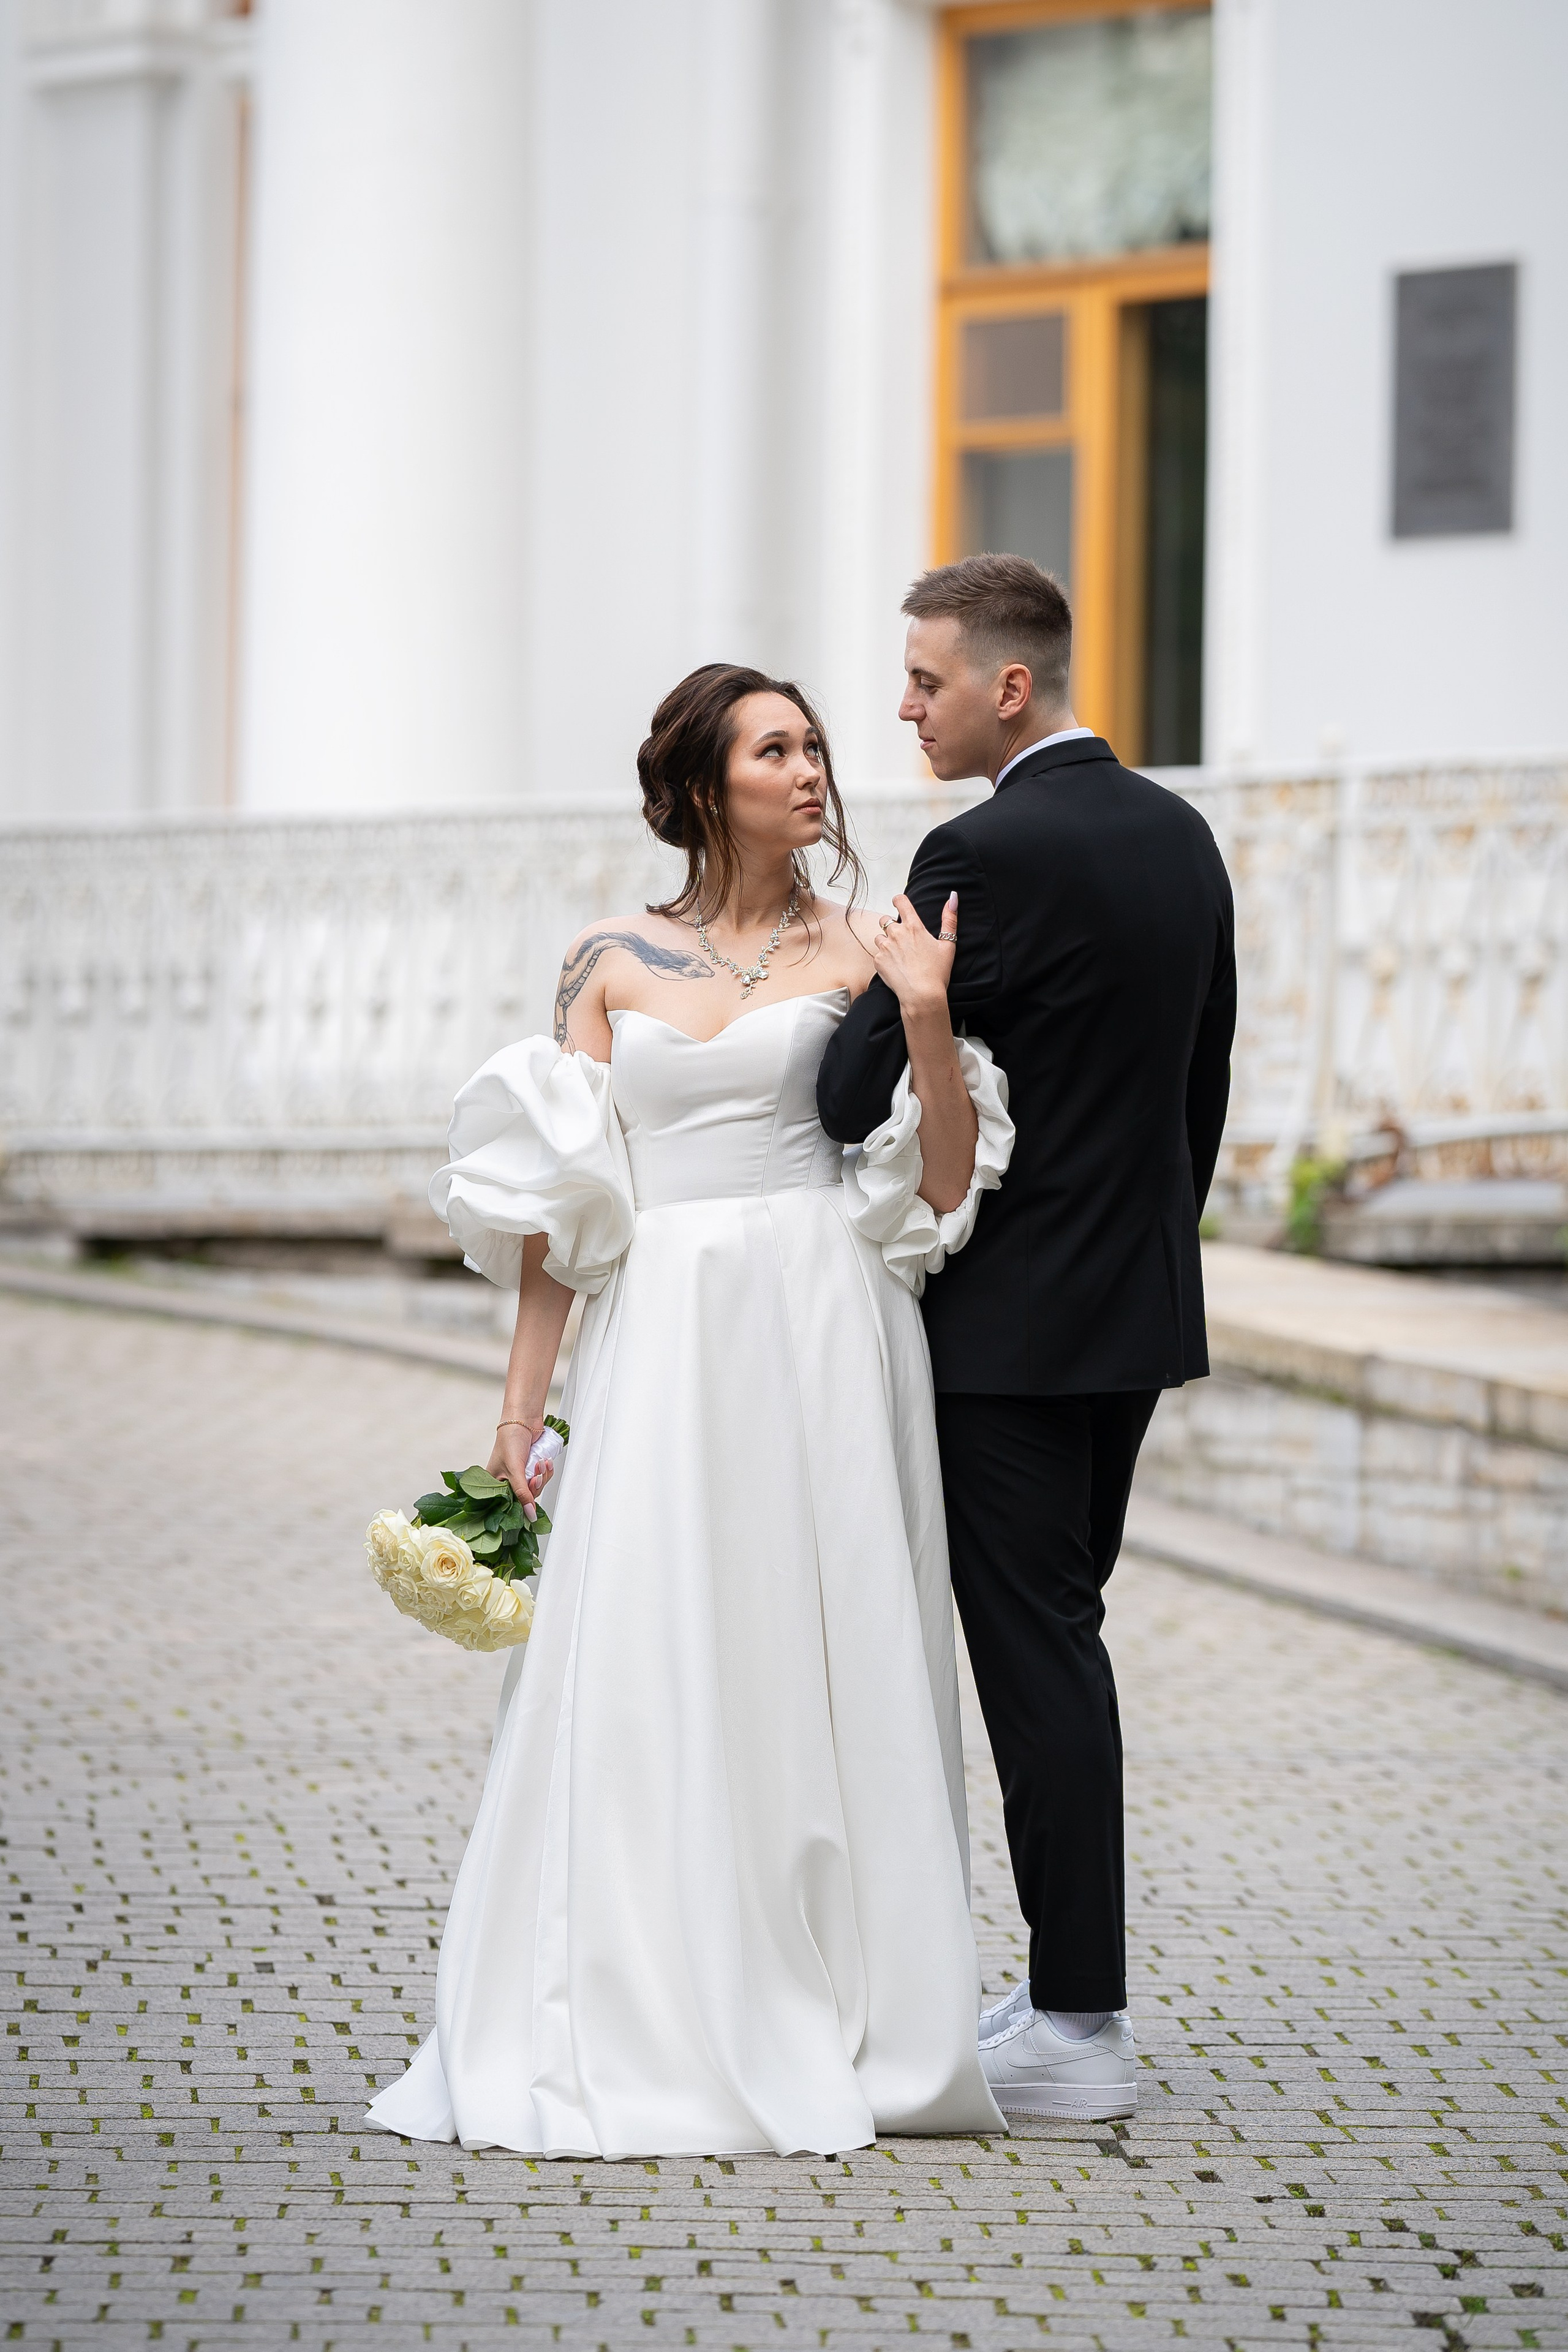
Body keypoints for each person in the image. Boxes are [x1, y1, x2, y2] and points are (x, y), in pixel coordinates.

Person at [368, 662, 1012, 2158]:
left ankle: (853, 2005)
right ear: (700, 784)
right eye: (772, 749)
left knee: (823, 1651)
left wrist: (922, 1014)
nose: (809, 771)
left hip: (826, 1326)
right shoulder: (604, 959)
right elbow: (560, 1217)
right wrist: (517, 1415)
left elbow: (936, 1182)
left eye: (815, 747)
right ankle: (640, 1996)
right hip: (661, 1336)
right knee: (651, 1650)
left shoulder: (874, 945)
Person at [817, 556, 1237, 2122]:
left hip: (999, 1334)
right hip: (1130, 1316)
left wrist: (893, 1000)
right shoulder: (1180, 838)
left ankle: (1076, 2028)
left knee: (1037, 1655)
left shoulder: (980, 849)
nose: (901, 707)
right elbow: (1198, 1092)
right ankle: (1064, 1996)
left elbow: (843, 1089)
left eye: (923, 680)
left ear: (1009, 685)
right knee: (1061, 1635)